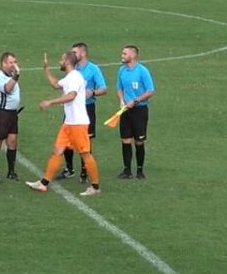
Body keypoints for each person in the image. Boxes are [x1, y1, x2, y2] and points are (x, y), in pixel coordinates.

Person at [26, 52, 102, 196]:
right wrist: (46, 69)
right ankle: (43, 183)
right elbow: (56, 84)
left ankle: (95, 187)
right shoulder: (69, 77)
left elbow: (71, 96)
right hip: (69, 123)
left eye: (61, 59)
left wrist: (50, 102)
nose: (59, 61)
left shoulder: (74, 77)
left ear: (67, 61)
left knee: (85, 154)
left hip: (78, 124)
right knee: (57, 151)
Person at [64, 42, 107, 183]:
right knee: (67, 140)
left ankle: (85, 172)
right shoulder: (71, 69)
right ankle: (69, 169)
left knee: (86, 141)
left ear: (82, 53)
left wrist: (93, 92)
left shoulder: (93, 69)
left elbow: (103, 88)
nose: (72, 55)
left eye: (75, 52)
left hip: (87, 109)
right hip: (71, 108)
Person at [116, 45, 155, 179]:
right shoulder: (121, 70)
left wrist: (136, 101)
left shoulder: (142, 71)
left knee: (139, 141)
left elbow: (150, 91)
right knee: (125, 139)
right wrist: (121, 100)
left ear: (132, 55)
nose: (122, 55)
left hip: (139, 110)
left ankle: (140, 170)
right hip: (126, 110)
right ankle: (127, 170)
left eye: (124, 53)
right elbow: (119, 88)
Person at [0, 52, 22, 181]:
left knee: (12, 142)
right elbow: (7, 89)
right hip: (1, 114)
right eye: (11, 62)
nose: (14, 65)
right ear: (3, 63)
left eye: (15, 62)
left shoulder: (11, 74)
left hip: (12, 114)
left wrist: (15, 75)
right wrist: (17, 76)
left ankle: (11, 172)